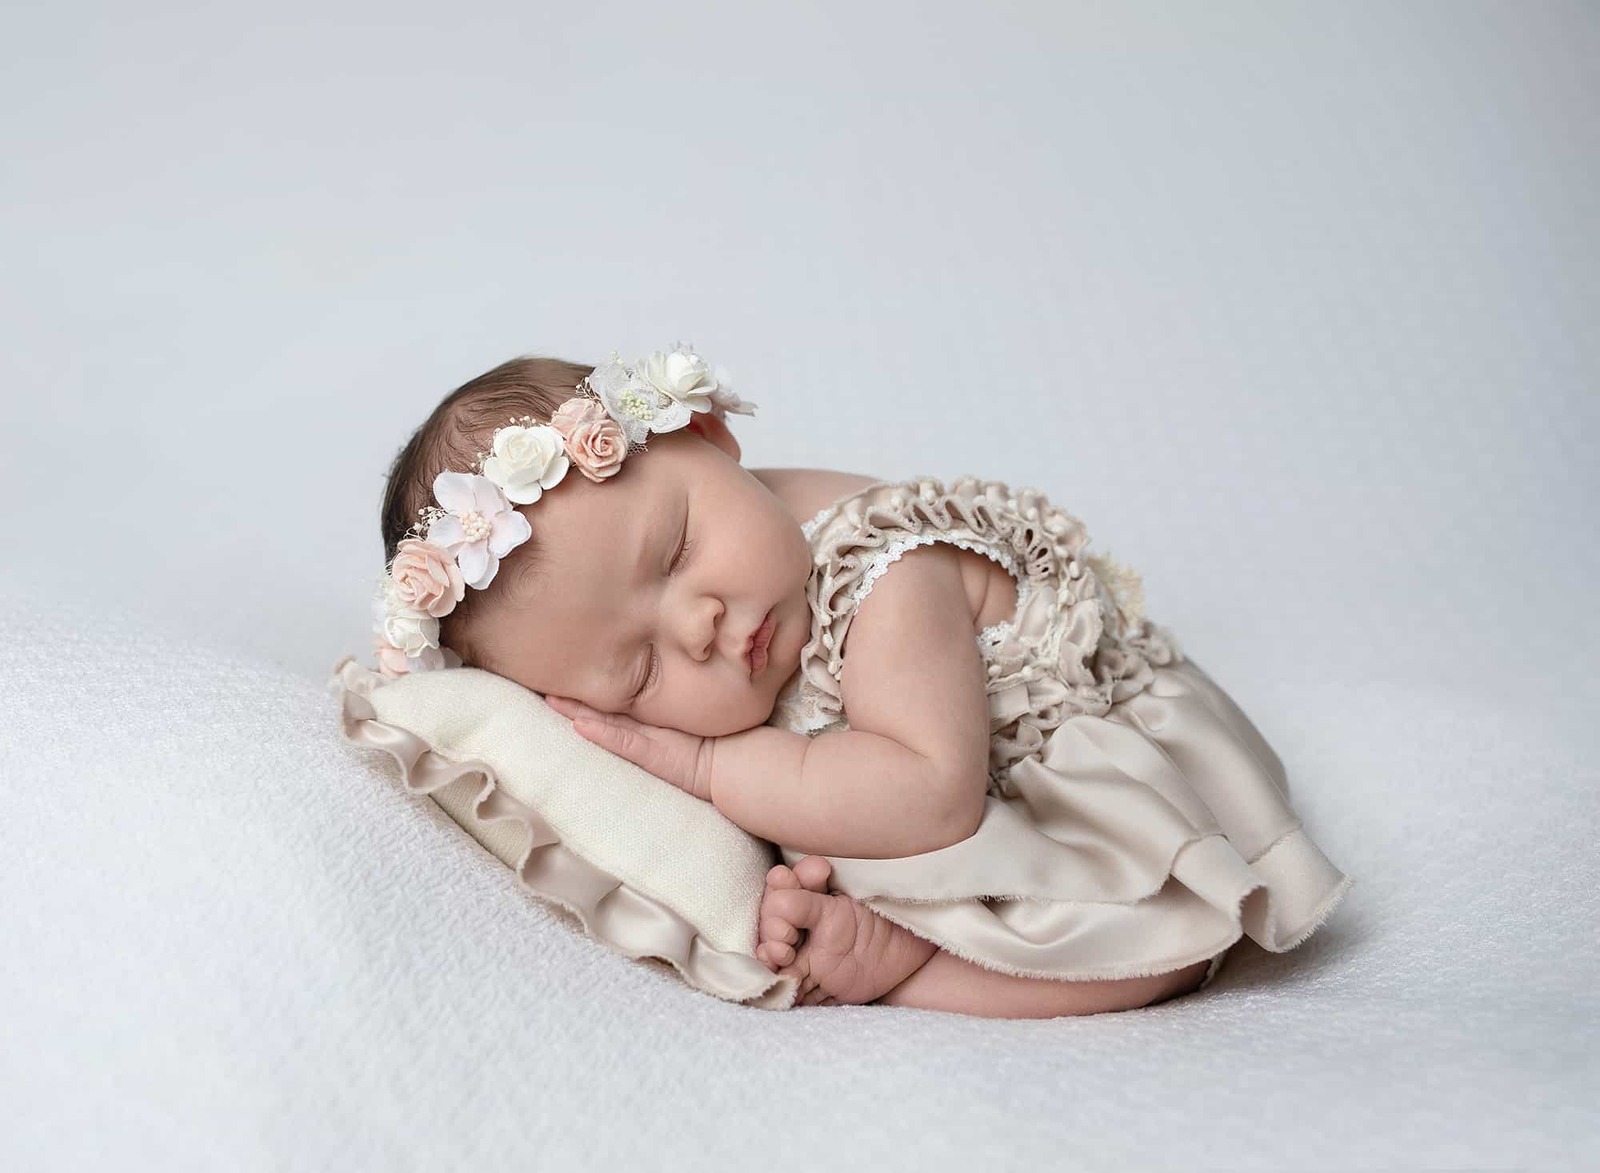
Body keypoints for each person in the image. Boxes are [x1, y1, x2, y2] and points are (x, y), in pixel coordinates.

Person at [372, 343, 1351, 1017]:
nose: (699, 626)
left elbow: (929, 797)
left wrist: (711, 768)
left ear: (711, 441)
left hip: (1050, 765)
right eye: (636, 669)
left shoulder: (883, 566)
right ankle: (880, 935)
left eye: (673, 552)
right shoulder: (739, 591)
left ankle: (916, 966)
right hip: (899, 771)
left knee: (1153, 951)